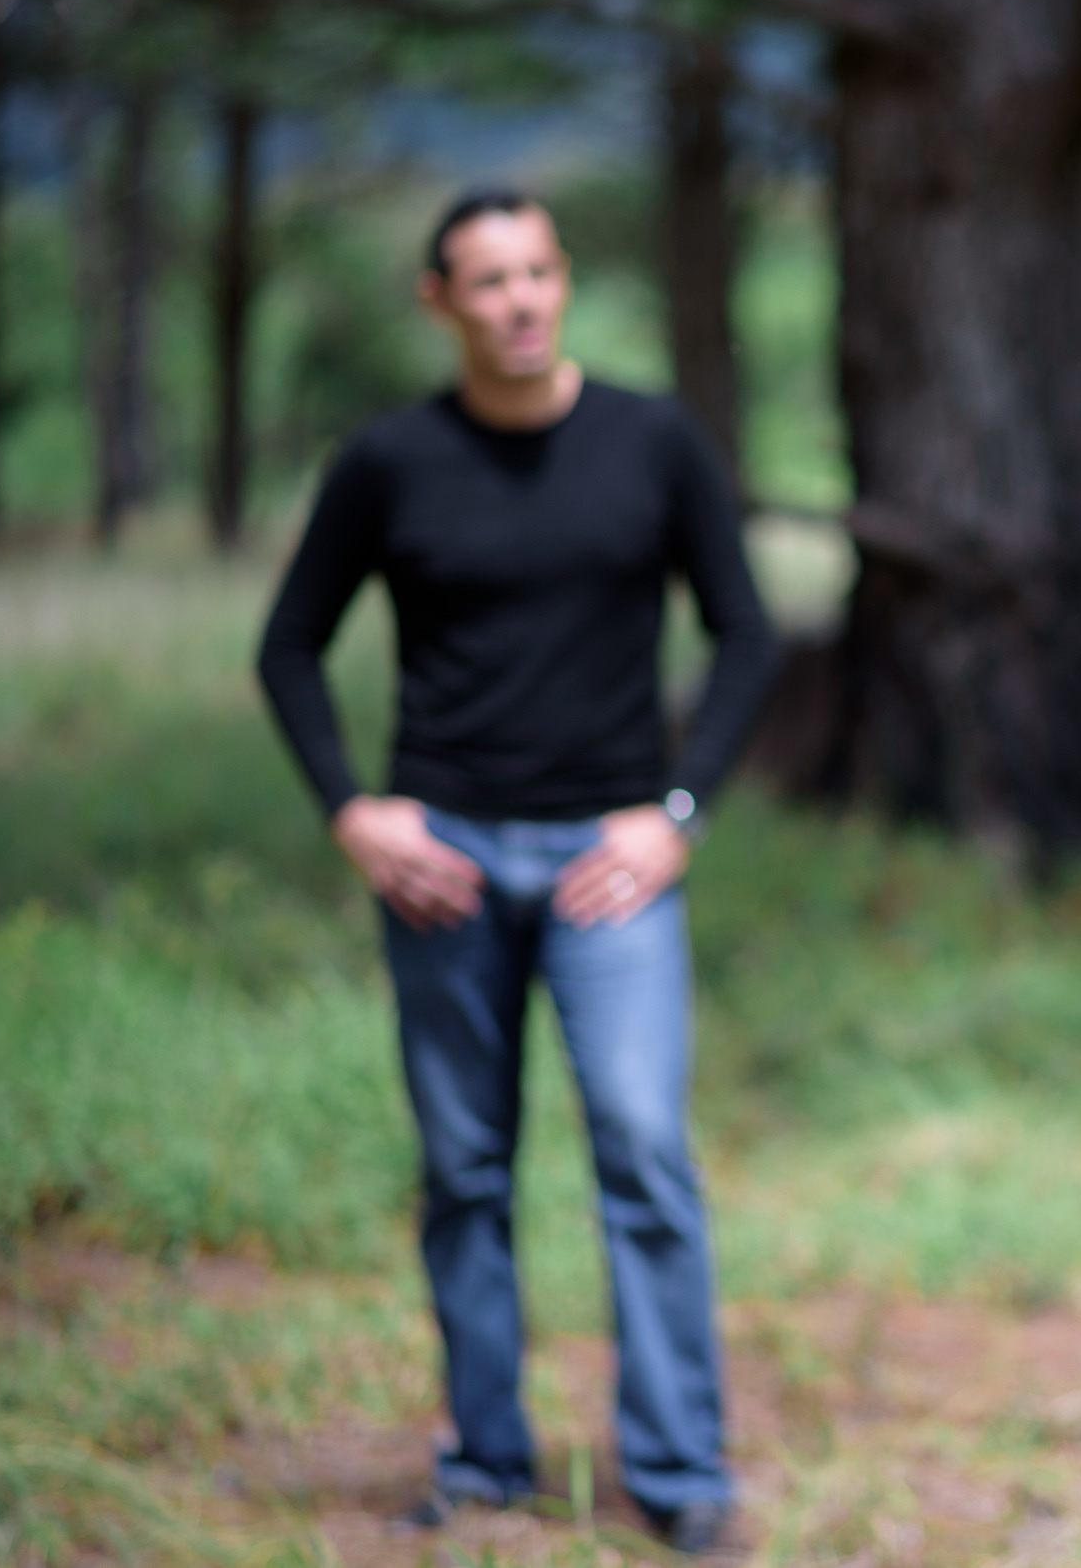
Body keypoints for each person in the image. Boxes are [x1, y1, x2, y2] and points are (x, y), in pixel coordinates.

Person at [256, 189, 779, 1557]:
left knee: (643, 1147)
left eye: (539, 272)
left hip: (616, 862)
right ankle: (487, 1453)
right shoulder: (388, 463)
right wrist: (354, 815)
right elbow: (288, 646)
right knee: (466, 1168)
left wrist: (676, 814)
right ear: (438, 300)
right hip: (448, 865)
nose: (523, 300)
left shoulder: (652, 440)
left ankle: (676, 1470)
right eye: (488, 281)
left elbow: (744, 632)